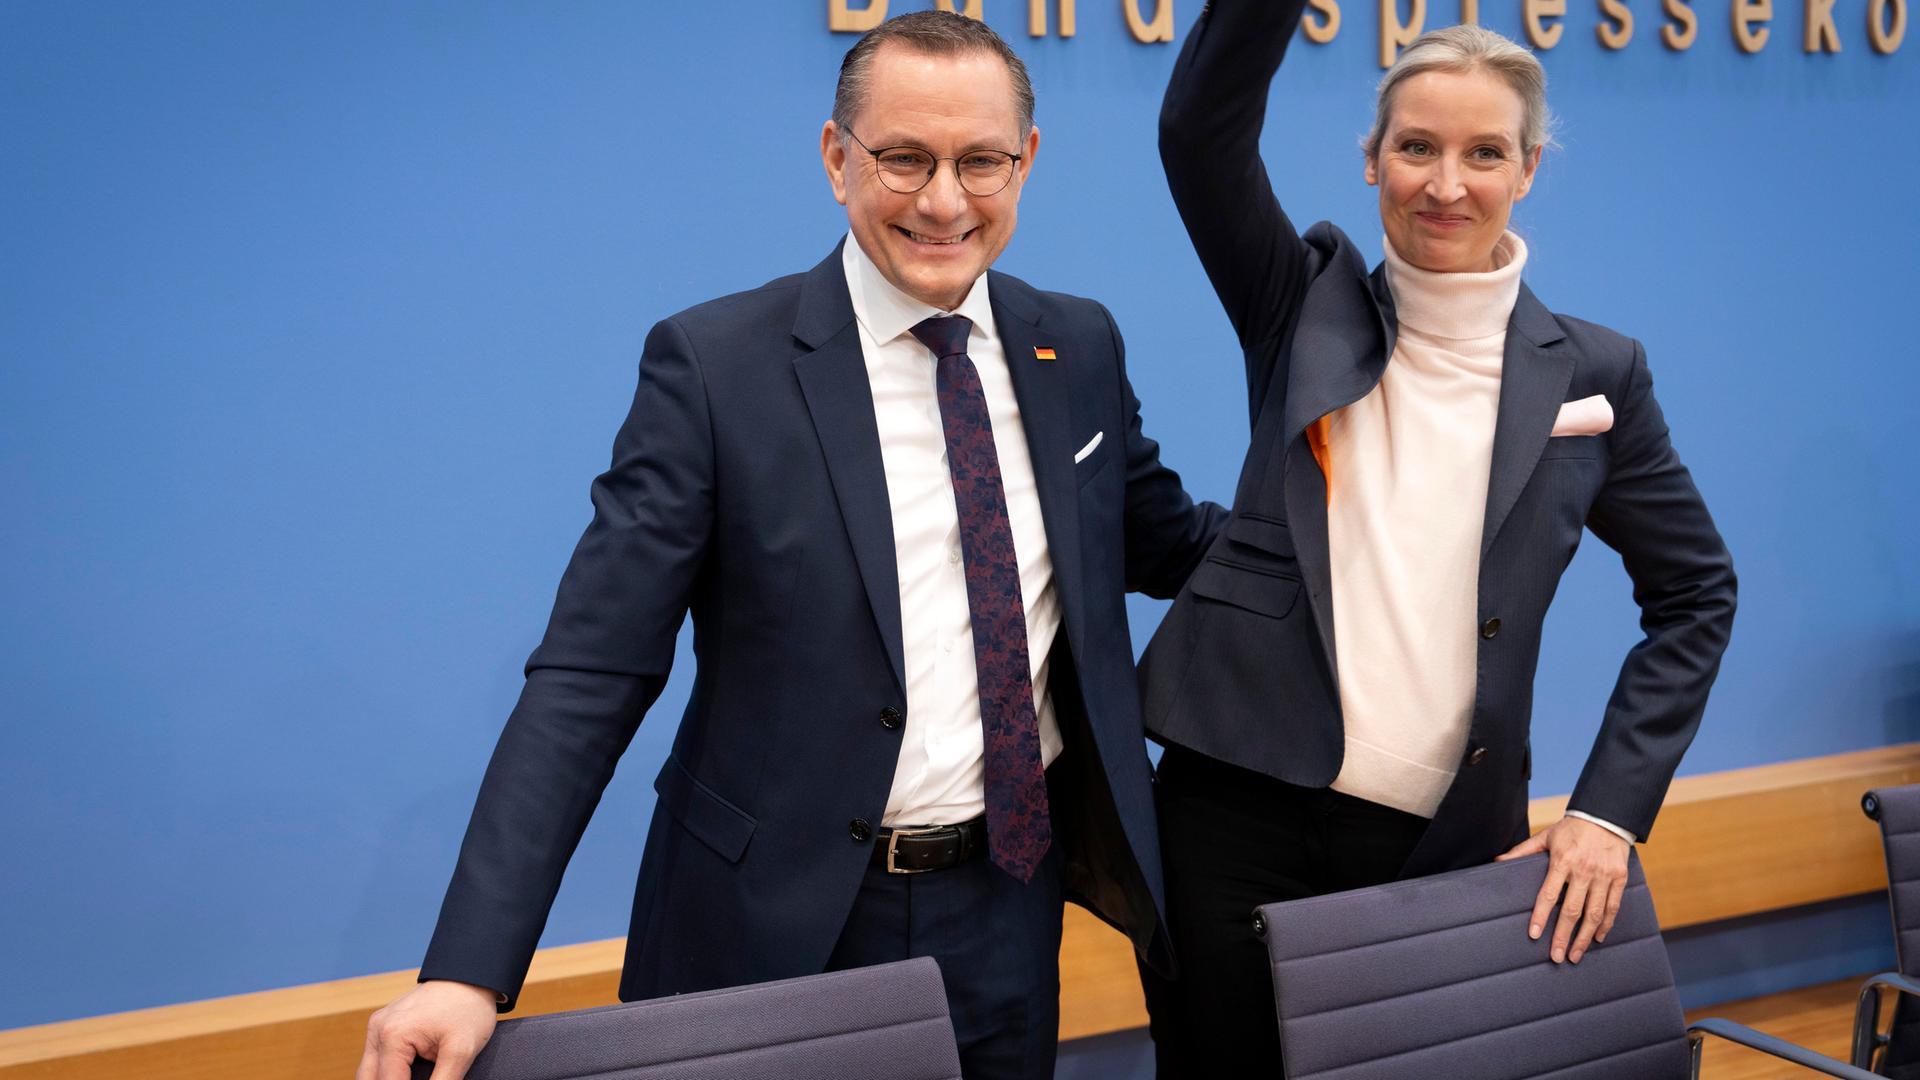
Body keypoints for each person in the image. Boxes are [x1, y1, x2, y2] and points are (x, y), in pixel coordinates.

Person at [355, 13, 1223, 1080]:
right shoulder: (716, 367)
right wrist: (469, 969)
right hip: (769, 923)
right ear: (836, 158)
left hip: (1008, 902)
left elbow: (1170, 541)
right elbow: (590, 672)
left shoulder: (1074, 344)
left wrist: (1372, 519)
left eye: (979, 161)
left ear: (1025, 162)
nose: (944, 200)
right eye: (904, 158)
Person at [1136, 0, 1737, 1072]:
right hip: (1231, 810)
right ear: (1373, 162)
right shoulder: (1299, 304)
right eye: (1415, 147)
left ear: (1529, 168)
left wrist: (1610, 811)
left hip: (1442, 839)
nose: (1446, 184)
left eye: (1483, 152)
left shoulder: (1599, 373)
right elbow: (1198, 133)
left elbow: (1696, 597)